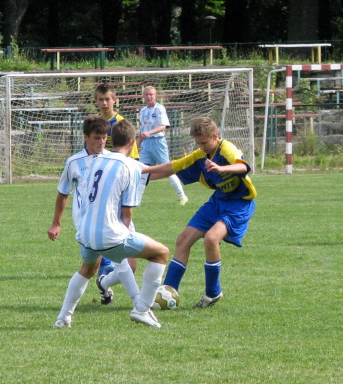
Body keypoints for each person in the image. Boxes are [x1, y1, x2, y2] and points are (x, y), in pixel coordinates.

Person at [54, 120, 169, 329]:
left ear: (110, 139)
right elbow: (64, 193)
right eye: (96, 137)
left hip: (87, 231)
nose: (100, 141)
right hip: (105, 227)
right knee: (159, 253)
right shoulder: (88, 162)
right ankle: (142, 307)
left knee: (89, 268)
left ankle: (64, 317)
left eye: (104, 137)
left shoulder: (100, 161)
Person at [143, 117, 257, 308]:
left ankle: (213, 292)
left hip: (239, 204)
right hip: (218, 202)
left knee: (211, 239)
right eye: (198, 143)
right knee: (183, 239)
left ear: (215, 136)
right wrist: (142, 171)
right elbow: (173, 167)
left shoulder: (226, 148)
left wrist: (221, 167)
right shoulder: (199, 155)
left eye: (204, 142)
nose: (202, 147)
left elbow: (243, 166)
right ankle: (168, 291)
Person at [93, 83, 140, 277]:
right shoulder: (94, 123)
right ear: (95, 101)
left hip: (118, 183)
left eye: (107, 99)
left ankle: (110, 269)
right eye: (100, 99)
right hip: (100, 181)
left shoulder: (121, 124)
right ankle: (107, 269)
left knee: (120, 224)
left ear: (115, 99)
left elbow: (133, 158)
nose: (104, 103)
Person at [136, 86, 188, 206]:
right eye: (147, 94)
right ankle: (137, 201)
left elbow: (164, 126)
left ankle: (182, 196)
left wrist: (149, 132)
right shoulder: (142, 111)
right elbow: (142, 130)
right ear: (143, 96)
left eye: (151, 94)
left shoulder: (160, 109)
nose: (149, 97)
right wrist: (138, 144)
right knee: (143, 171)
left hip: (158, 142)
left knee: (168, 169)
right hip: (146, 144)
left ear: (156, 96)